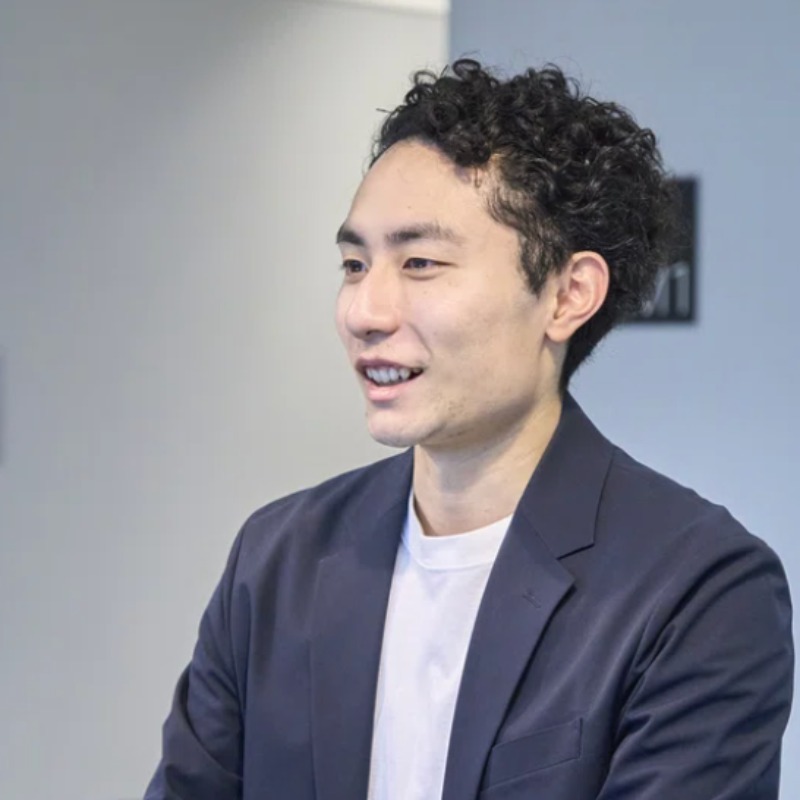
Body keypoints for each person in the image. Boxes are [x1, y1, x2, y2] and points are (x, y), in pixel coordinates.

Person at [145, 60, 793, 800]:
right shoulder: (278, 559)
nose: (364, 311)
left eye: (420, 263)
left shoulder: (696, 589)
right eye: (354, 264)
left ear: (567, 295)